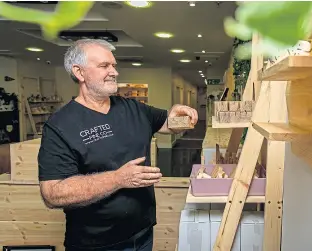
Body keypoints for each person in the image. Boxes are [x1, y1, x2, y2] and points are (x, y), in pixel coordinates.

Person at [37, 39, 198, 251]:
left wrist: (178, 114)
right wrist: (118, 179)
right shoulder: (60, 126)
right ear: (79, 72)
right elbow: (52, 193)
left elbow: (167, 122)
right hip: (95, 244)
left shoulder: (133, 108)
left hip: (142, 234)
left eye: (114, 65)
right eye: (104, 66)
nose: (114, 72)